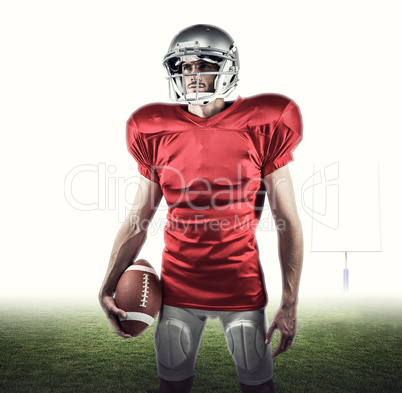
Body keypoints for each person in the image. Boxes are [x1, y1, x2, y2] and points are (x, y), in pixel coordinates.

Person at [99, 24, 303, 393]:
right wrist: (107, 285)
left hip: (240, 288)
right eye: (185, 67)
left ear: (227, 68)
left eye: (203, 64)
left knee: (258, 386)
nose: (192, 75)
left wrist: (289, 304)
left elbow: (286, 219)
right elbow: (137, 221)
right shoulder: (154, 130)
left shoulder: (263, 124)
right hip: (177, 290)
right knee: (172, 386)